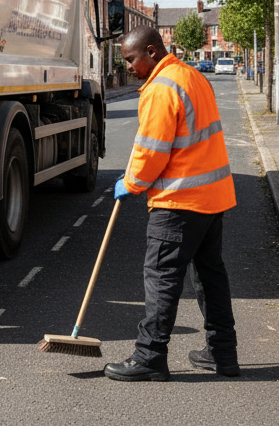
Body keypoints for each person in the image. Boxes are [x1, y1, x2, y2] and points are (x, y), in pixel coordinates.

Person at [105, 25, 239, 382]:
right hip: (212, 198)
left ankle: (149, 357)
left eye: (132, 59)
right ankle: (222, 353)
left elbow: (152, 150)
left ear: (151, 51)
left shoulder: (162, 88)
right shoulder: (192, 76)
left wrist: (131, 184)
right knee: (211, 276)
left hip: (179, 202)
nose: (129, 67)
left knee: (162, 279)